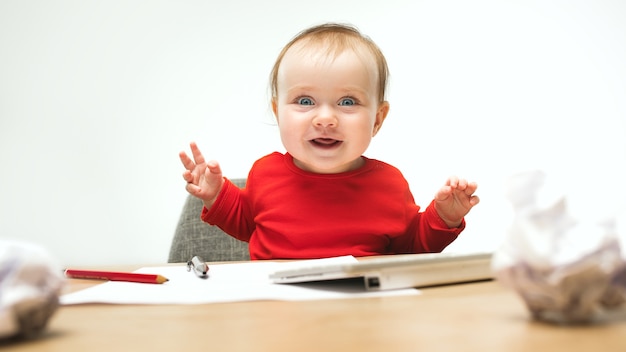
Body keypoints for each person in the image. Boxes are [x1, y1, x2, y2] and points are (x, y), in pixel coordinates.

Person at [179, 23, 479, 260]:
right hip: (278, 309)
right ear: (277, 112)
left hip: (363, 310)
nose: (325, 118)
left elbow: (412, 246)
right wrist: (216, 194)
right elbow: (245, 222)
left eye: (347, 101)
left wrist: (444, 217)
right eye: (305, 100)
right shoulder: (265, 173)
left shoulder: (389, 183)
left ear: (377, 119)